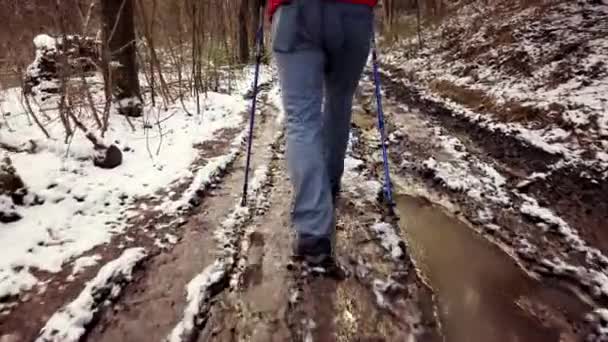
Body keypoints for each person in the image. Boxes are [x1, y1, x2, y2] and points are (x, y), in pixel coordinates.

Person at [269, 0, 377, 266]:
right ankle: (328, 186)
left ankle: (314, 232)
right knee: (339, 105)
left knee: (302, 120)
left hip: (296, 13)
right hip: (354, 14)